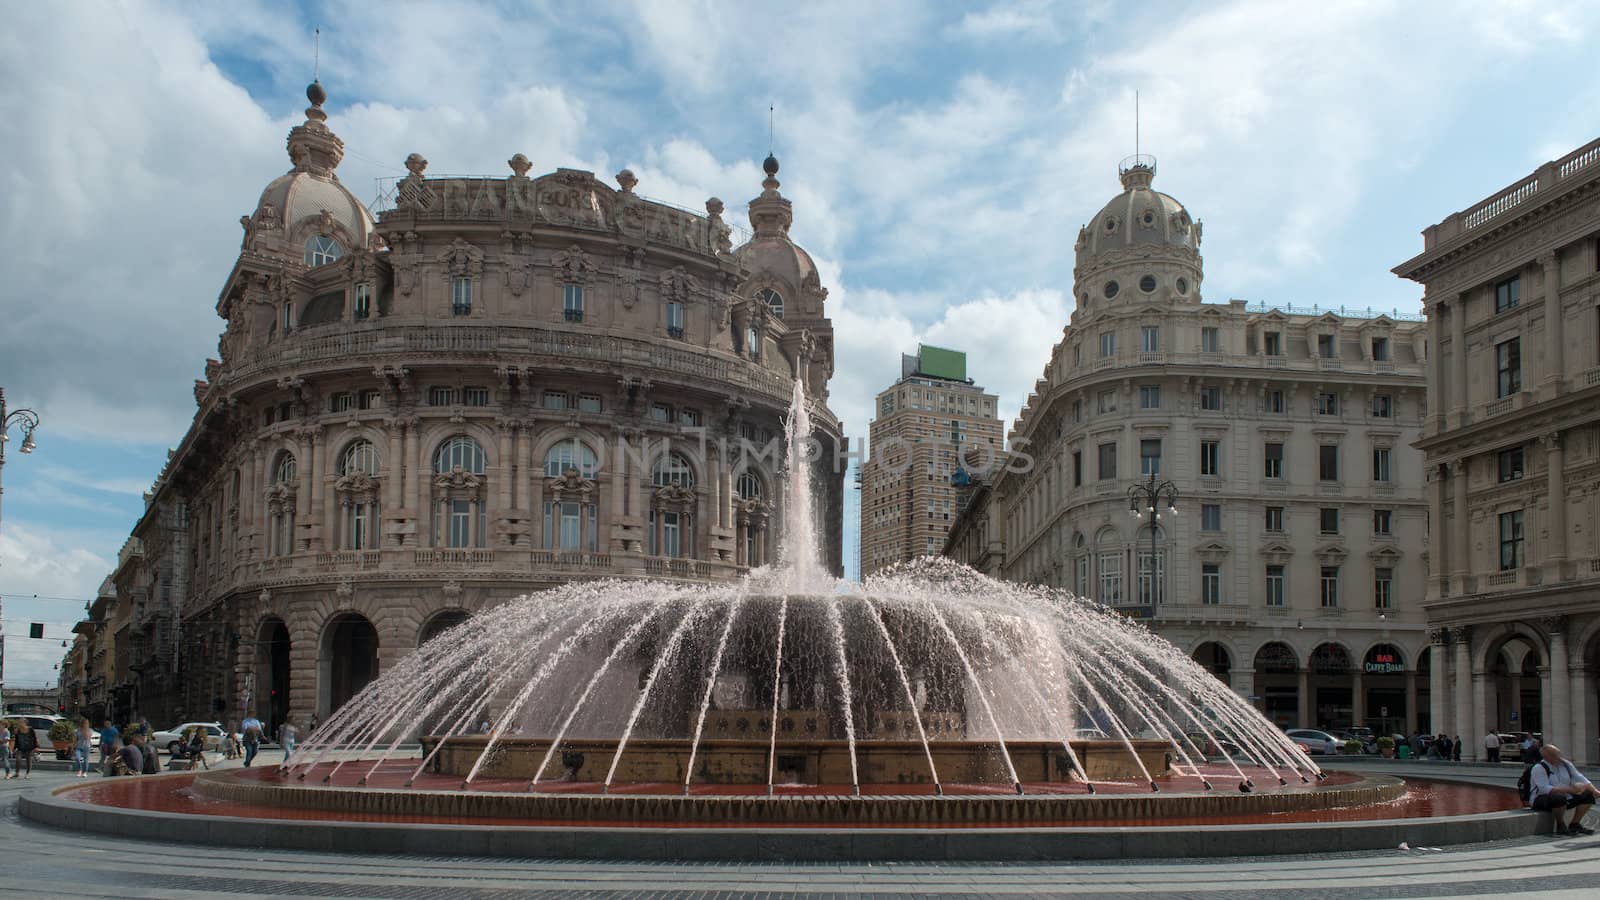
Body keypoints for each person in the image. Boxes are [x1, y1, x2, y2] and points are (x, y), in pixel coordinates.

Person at [1529, 744, 1597, 836]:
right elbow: (1544, 789)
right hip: (1541, 799)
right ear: (1546, 756)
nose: (1558, 757)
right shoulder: (1539, 768)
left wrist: (1595, 791)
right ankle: (1560, 825)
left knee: (1588, 795)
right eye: (1555, 755)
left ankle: (1575, 824)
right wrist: (1570, 790)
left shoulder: (1566, 764)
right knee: (1558, 798)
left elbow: (1580, 777)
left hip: (1566, 796)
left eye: (1558, 754)